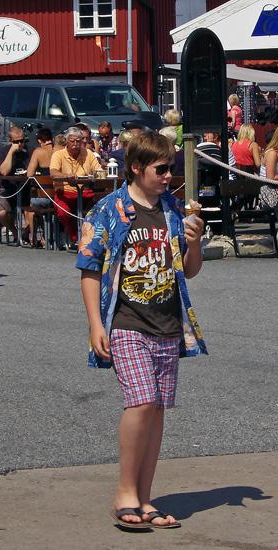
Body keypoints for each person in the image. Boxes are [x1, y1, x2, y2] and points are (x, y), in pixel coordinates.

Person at [77, 131, 205, 531]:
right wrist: (95, 325)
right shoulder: (108, 210)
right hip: (125, 321)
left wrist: (195, 244)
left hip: (167, 323)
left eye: (171, 169)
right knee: (142, 401)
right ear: (136, 167)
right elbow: (89, 268)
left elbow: (189, 270)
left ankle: (145, 498)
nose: (168, 176)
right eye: (161, 169)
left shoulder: (173, 209)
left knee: (157, 410)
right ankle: (124, 493)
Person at [51, 127, 102, 249]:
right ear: (66, 141)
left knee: (103, 207)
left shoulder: (88, 153)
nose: (75, 144)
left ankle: (98, 239)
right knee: (63, 212)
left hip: (86, 193)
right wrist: (66, 176)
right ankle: (77, 238)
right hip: (65, 193)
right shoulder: (58, 155)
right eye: (72, 141)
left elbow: (98, 170)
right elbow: (53, 172)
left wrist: (99, 173)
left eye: (78, 141)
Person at [0, 125, 32, 238]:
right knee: (2, 212)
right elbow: (4, 172)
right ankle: (15, 233)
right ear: (10, 141)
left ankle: (26, 234)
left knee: (37, 209)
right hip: (8, 189)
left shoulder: (30, 150)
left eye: (22, 141)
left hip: (27, 188)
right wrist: (11, 152)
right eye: (16, 142)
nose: (20, 144)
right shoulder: (3, 152)